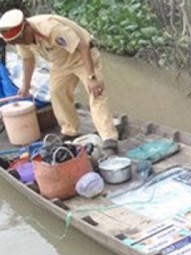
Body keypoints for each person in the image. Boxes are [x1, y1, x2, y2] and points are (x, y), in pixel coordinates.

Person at [0, 9, 119, 155]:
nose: (21, 43)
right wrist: (25, 86)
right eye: (16, 42)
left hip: (81, 56)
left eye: (21, 39)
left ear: (27, 27)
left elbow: (83, 46)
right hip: (61, 62)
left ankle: (109, 137)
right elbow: (27, 59)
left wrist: (91, 77)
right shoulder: (19, 38)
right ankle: (70, 131)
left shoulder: (51, 28)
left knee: (96, 93)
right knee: (56, 92)